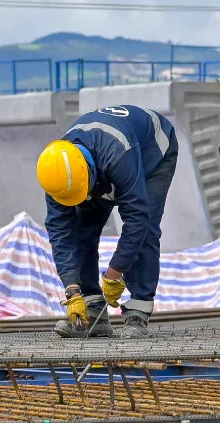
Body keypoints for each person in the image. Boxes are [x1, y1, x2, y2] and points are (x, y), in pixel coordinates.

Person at [37, 104, 180, 340]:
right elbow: (62, 234)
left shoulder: (117, 156)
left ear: (89, 174)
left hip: (152, 154)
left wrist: (115, 272)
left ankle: (138, 311)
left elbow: (137, 218)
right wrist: (73, 291)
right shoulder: (58, 175)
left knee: (146, 229)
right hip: (104, 162)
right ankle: (93, 311)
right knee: (82, 229)